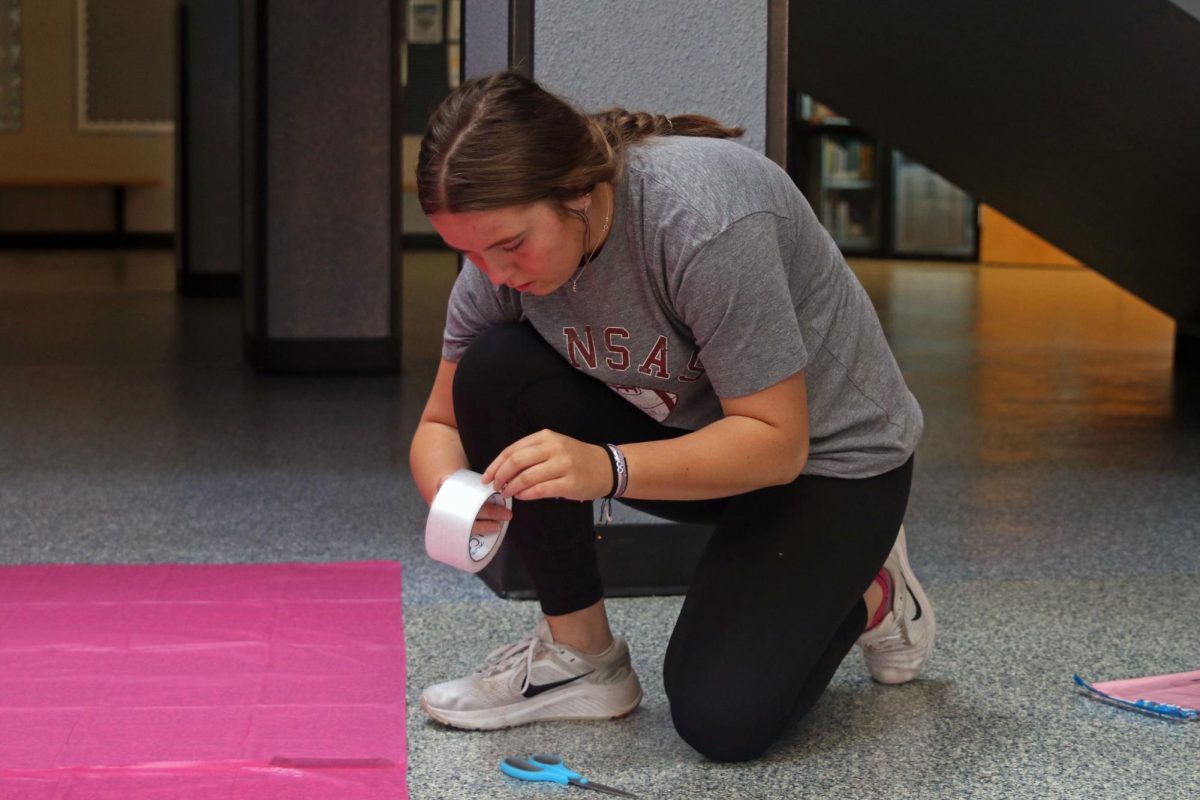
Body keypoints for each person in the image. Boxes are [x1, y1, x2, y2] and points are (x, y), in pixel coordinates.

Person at [408, 71, 934, 762]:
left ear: (578, 190)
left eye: (509, 246)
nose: (494, 273)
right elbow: (440, 423)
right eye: (470, 253)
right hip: (699, 449)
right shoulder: (499, 265)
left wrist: (606, 468)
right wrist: (459, 499)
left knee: (722, 719)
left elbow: (777, 446)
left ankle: (875, 590)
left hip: (829, 464)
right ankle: (580, 659)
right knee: (495, 370)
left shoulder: (703, 224)